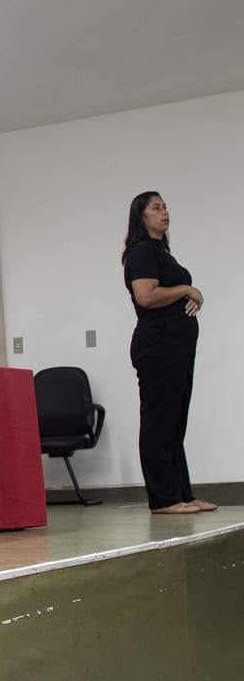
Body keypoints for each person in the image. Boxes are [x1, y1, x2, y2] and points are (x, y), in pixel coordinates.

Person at [121, 191, 215, 515]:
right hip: (157, 345)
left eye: (165, 207)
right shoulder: (141, 252)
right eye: (156, 207)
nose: (164, 212)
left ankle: (182, 494)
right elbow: (146, 296)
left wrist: (192, 296)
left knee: (175, 423)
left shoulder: (161, 252)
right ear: (141, 216)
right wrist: (188, 289)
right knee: (159, 422)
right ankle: (163, 499)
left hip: (175, 345)